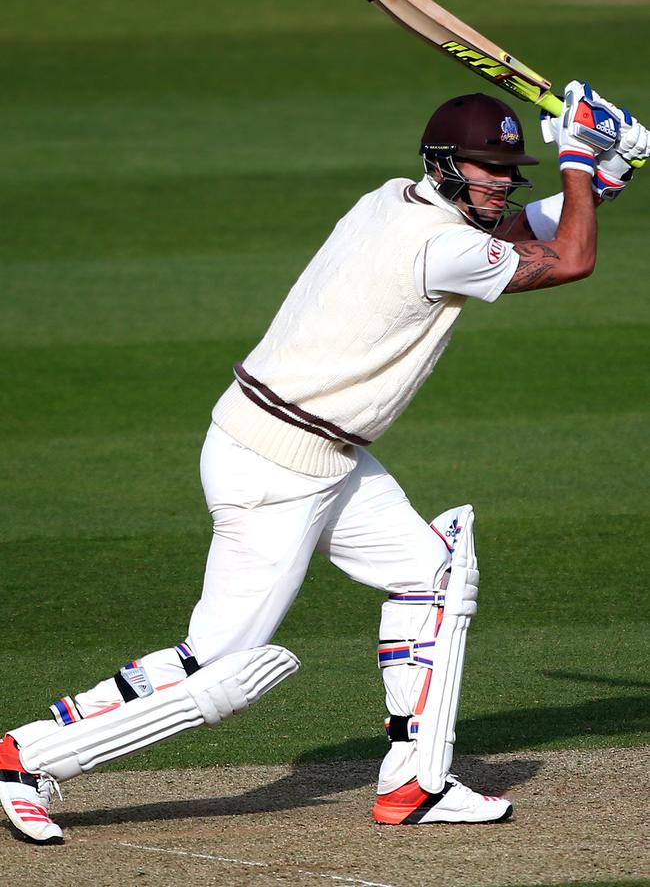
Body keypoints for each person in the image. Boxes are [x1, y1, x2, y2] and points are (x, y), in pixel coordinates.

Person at [1, 81, 648, 844]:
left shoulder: (395, 200)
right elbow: (568, 259)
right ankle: (27, 756)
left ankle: (415, 784)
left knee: (433, 571)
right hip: (276, 466)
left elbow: (512, 233)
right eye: (486, 168)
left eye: (509, 169)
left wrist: (607, 178)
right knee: (222, 668)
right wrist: (582, 158)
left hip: (314, 450)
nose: (501, 182)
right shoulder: (438, 245)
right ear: (444, 166)